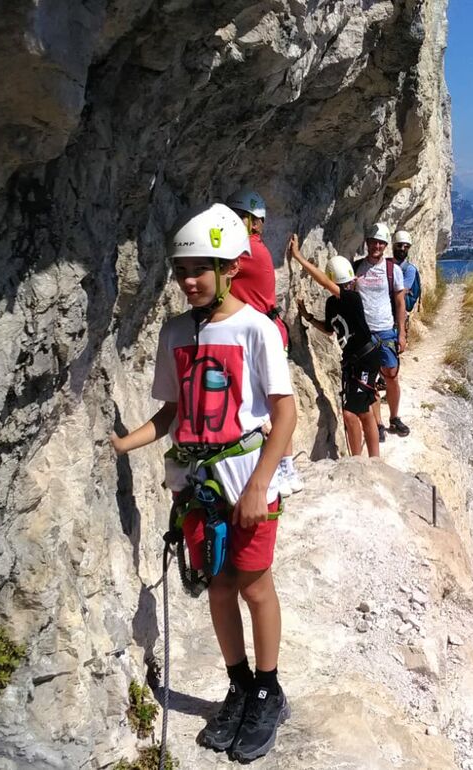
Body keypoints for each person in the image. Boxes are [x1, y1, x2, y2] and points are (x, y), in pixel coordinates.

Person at [110, 203, 295, 762]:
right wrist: (121, 444)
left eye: (199, 268)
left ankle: (268, 690)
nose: (188, 280)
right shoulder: (174, 333)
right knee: (218, 587)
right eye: (181, 269)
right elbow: (171, 413)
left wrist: (260, 485)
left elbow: (284, 414)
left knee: (254, 584)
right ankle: (239, 686)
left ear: (231, 268)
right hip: (197, 483)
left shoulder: (256, 329)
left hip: (247, 477)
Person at [225, 188, 303, 497]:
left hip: (260, 335)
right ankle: (285, 470)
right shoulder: (252, 248)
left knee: (273, 408)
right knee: (275, 404)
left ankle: (281, 470)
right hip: (266, 332)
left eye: (239, 218)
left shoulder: (246, 251)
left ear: (255, 224)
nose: (232, 223)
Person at [287, 234, 381, 457]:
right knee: (365, 411)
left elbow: (324, 282)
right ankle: (374, 459)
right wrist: (308, 318)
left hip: (364, 359)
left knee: (350, 414)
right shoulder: (332, 303)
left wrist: (299, 257)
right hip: (357, 360)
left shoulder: (352, 298)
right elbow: (330, 329)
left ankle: (358, 462)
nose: (349, 285)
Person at [353, 223, 410, 439]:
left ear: (385, 245)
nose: (376, 246)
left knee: (392, 376)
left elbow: (400, 302)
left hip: (386, 329)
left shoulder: (392, 269)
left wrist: (401, 334)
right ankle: (377, 424)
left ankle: (394, 418)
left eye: (380, 242)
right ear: (367, 243)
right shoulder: (356, 268)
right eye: (373, 241)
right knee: (372, 380)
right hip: (365, 333)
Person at [392, 229, 422, 338]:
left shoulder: (409, 269)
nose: (402, 249)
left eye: (406, 246)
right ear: (394, 246)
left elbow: (401, 291)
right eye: (399, 245)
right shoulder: (386, 264)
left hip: (399, 312)